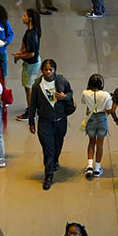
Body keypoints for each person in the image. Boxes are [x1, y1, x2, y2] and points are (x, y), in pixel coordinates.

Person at [29, 59, 76, 190]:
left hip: (60, 120)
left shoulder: (61, 80)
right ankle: (48, 176)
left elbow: (70, 93)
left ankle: (55, 160)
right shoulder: (37, 85)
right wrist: (31, 122)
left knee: (58, 144)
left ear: (55, 70)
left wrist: (64, 97)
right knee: (48, 149)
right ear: (42, 71)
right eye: (46, 70)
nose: (48, 72)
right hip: (45, 122)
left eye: (51, 69)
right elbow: (32, 105)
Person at [79, 73, 112, 180]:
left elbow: (83, 102)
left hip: (91, 119)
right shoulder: (106, 95)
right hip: (102, 118)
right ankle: (97, 168)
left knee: (91, 142)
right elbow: (108, 109)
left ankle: (89, 166)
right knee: (100, 144)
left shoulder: (85, 93)